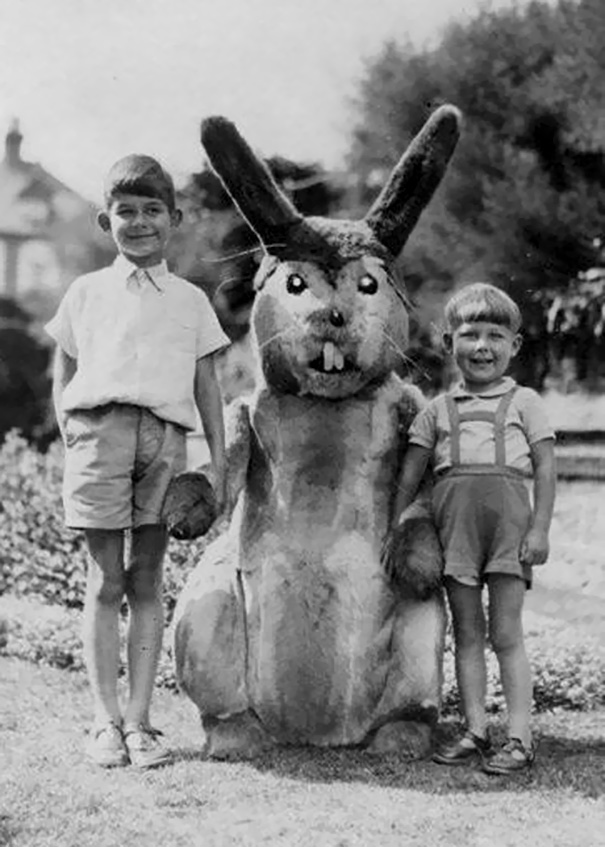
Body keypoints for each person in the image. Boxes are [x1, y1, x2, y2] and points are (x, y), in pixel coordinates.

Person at [46, 154, 229, 769]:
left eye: (153, 210)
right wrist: (71, 435)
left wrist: (219, 463)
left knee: (147, 578)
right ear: (107, 221)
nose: (140, 222)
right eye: (126, 211)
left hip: (164, 442)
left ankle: (141, 722)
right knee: (105, 580)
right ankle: (104, 722)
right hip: (99, 435)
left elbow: (207, 387)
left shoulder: (190, 301)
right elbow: (64, 370)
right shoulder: (86, 293)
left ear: (174, 219)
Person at [391, 282, 556, 774]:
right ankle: (475, 729)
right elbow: (409, 476)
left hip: (510, 535)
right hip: (455, 537)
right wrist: (397, 526)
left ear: (514, 346)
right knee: (466, 634)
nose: (482, 346)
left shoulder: (525, 402)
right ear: (449, 343)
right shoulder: (436, 411)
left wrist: (540, 531)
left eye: (495, 336)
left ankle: (520, 737)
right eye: (469, 335)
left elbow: (546, 470)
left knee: (506, 633)